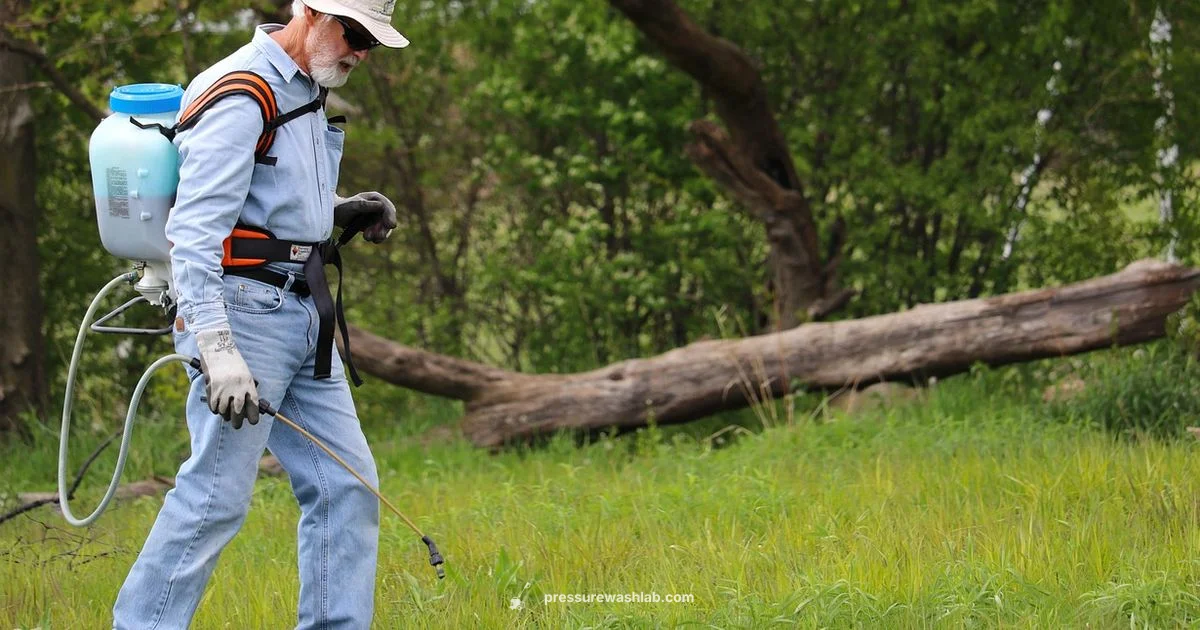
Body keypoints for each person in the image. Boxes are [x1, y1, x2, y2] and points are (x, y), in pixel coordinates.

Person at [113, 1, 407, 627]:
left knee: (347, 486)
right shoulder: (244, 91)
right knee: (214, 499)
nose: (358, 52)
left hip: (304, 312)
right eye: (352, 33)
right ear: (308, 12)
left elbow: (271, 202)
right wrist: (218, 350)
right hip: (244, 317)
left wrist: (342, 209)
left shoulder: (304, 86)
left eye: (370, 43)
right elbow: (192, 231)